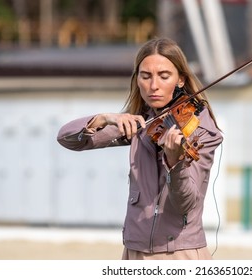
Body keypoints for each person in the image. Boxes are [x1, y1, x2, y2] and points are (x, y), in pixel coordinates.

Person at [57, 37, 223, 260]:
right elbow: (68, 139)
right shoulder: (141, 123)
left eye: (164, 76)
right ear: (137, 80)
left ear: (181, 80)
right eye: (146, 76)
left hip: (179, 253)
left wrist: (175, 163)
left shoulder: (202, 130)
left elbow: (186, 203)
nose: (153, 86)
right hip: (135, 251)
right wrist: (104, 118)